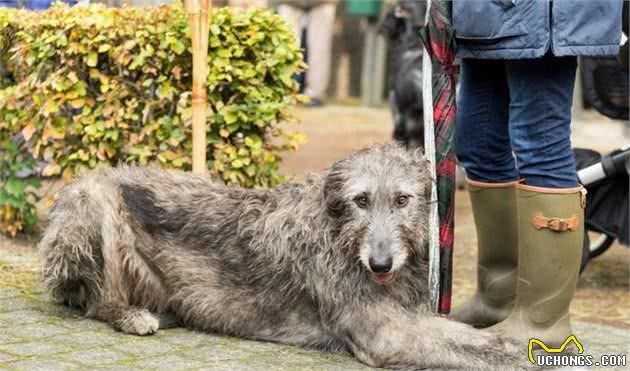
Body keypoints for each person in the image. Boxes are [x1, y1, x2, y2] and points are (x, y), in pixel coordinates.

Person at [450, 0, 623, 348]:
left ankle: (544, 326)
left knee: (540, 146)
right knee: (478, 144)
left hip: (543, 13)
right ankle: (498, 298)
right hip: (487, 14)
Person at [277, 0, 337, 107]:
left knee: (320, 48)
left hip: (322, 3)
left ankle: (315, 94)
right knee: (286, 46)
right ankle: (285, 90)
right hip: (289, 3)